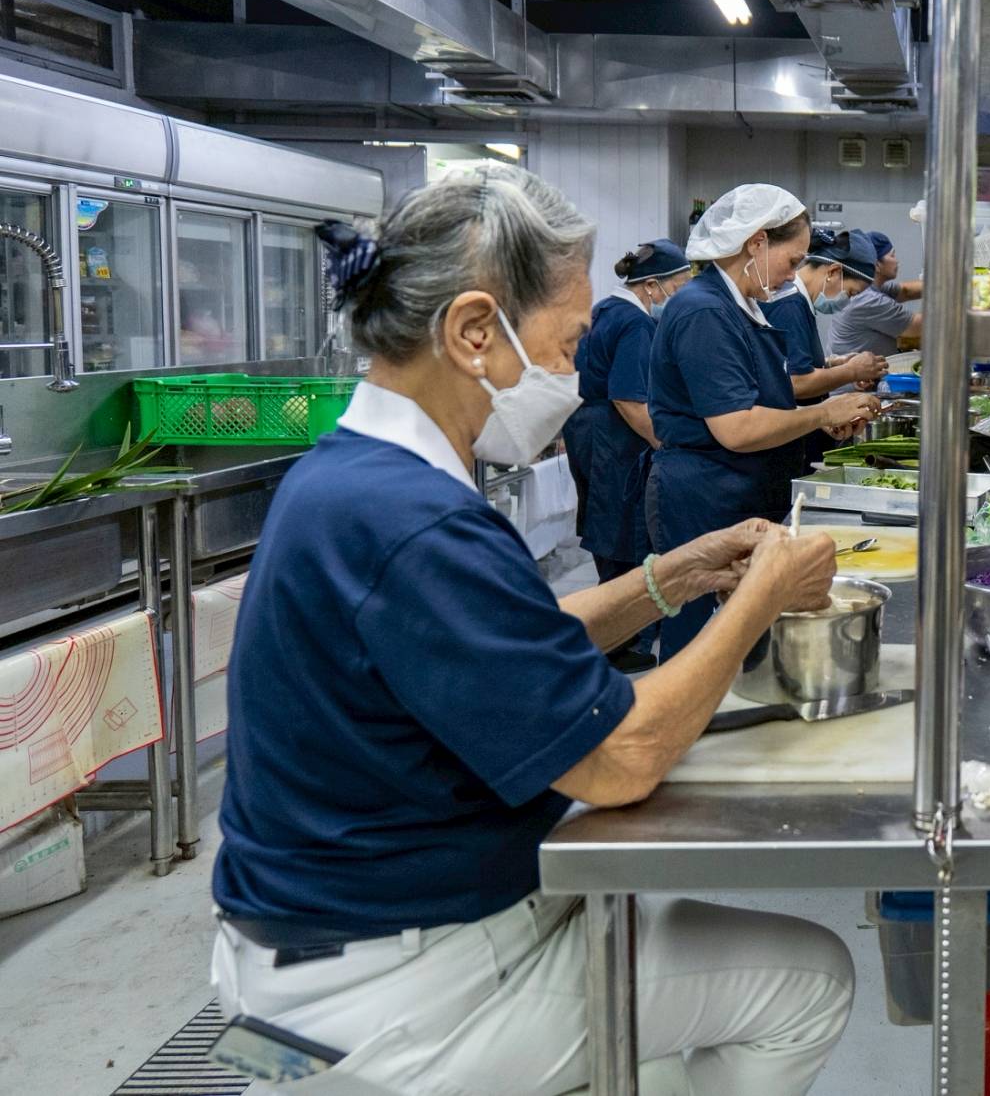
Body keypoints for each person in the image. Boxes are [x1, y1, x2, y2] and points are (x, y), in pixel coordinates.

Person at [212, 163, 853, 1095]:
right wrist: (759, 593)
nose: (570, 371)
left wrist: (673, 577)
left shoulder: (357, 477)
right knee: (807, 981)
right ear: (475, 331)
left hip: (324, 950)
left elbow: (513, 634)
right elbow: (623, 756)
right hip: (398, 988)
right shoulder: (414, 522)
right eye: (565, 343)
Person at [646, 185, 880, 652]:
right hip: (706, 498)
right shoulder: (705, 311)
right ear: (756, 243)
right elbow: (736, 426)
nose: (794, 274)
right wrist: (821, 412)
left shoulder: (743, 305)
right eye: (792, 261)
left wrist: (817, 421)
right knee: (701, 641)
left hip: (739, 492)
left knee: (738, 638)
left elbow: (765, 397)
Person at [564, 238, 687, 668]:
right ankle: (624, 642)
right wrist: (667, 446)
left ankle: (612, 636)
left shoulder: (605, 311)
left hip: (588, 431)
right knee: (627, 533)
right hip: (614, 438)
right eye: (679, 286)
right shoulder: (636, 324)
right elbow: (630, 400)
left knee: (607, 526)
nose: (680, 297)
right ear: (651, 286)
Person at [766, 228, 891, 399]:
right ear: (833, 272)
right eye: (851, 293)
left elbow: (787, 363)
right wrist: (851, 371)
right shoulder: (790, 305)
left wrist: (833, 364)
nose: (847, 300)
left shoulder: (800, 302)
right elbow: (796, 383)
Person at [829, 229, 922, 358]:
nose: (897, 261)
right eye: (892, 256)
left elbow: (906, 291)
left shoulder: (870, 286)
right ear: (877, 265)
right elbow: (918, 327)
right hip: (856, 377)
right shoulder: (867, 299)